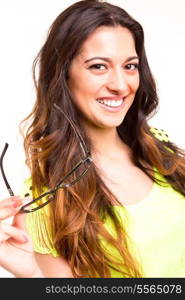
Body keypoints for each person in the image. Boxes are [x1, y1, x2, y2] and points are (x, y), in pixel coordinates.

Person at [0, 0, 185, 278]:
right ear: (63, 75)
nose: (121, 85)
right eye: (98, 66)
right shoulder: (49, 203)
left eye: (130, 66)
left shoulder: (162, 153)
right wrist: (34, 277)